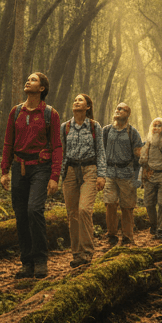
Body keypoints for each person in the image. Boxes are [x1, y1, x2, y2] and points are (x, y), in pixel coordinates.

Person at [0, 72, 63, 279]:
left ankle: (40, 260)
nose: (28, 81)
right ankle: (26, 263)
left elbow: (56, 146)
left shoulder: (50, 114)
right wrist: (4, 171)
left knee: (34, 210)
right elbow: (8, 142)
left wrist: (54, 176)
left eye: (33, 80)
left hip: (40, 168)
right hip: (19, 167)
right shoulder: (16, 111)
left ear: (42, 88)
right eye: (27, 79)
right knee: (20, 215)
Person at [60, 93, 105, 268]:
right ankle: (77, 254)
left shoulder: (95, 127)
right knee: (72, 214)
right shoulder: (66, 127)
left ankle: (87, 252)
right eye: (75, 100)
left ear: (88, 106)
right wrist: (59, 175)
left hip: (90, 169)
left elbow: (101, 151)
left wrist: (102, 175)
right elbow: (62, 153)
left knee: (84, 209)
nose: (76, 101)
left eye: (81, 100)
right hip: (70, 171)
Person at [101, 102, 143, 246]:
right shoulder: (106, 131)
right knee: (110, 204)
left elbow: (139, 154)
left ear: (128, 114)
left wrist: (139, 175)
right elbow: (100, 152)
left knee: (127, 207)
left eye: (122, 109)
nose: (118, 110)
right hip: (110, 173)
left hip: (127, 174)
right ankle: (111, 235)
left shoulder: (132, 132)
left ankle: (128, 237)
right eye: (117, 108)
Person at [140, 117, 162, 242]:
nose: (156, 128)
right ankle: (154, 224)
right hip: (150, 177)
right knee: (148, 204)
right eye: (155, 125)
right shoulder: (147, 142)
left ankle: (161, 229)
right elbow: (142, 161)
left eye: (159, 126)